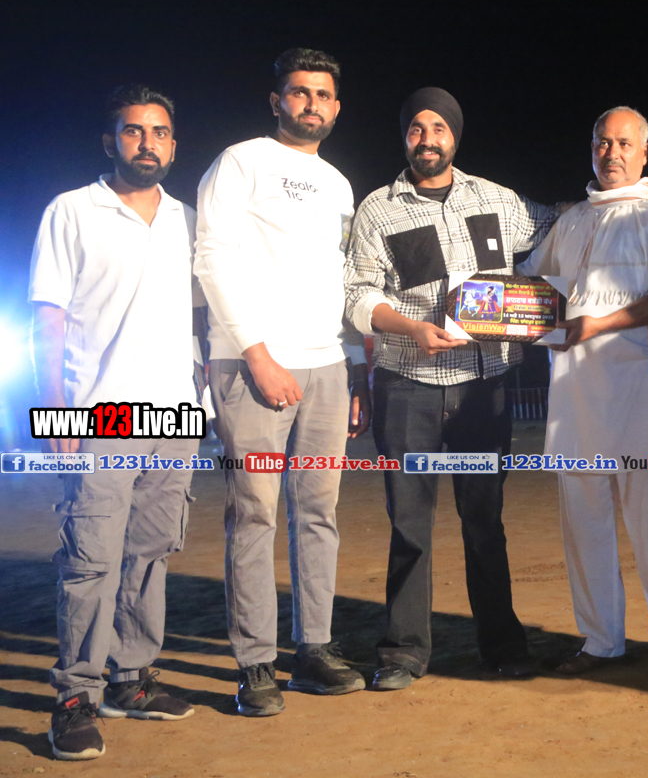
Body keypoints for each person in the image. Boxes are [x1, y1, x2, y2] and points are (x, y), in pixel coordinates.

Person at [344, 87, 557, 689]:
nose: (428, 139)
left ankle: (502, 645)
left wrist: (630, 197)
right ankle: (403, 653)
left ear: (454, 136)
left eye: (439, 128)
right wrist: (412, 327)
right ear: (404, 137)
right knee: (409, 525)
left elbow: (562, 221)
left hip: (484, 389)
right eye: (417, 128)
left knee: (484, 522)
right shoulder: (378, 210)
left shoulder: (497, 200)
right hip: (407, 386)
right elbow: (357, 293)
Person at [193, 48, 371, 717]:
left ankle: (313, 650)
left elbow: (335, 277)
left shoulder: (339, 184)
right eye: (299, 92)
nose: (311, 104)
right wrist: (256, 354)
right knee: (255, 514)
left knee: (319, 514)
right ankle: (255, 664)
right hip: (252, 365)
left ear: (336, 107)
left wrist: (348, 367)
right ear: (277, 101)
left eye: (322, 95)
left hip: (325, 366)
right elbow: (210, 258)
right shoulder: (241, 161)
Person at [30, 85, 201, 760]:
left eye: (159, 132)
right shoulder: (72, 210)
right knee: (89, 559)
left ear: (173, 145)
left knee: (150, 554)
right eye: (134, 131)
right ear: (111, 142)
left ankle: (131, 678)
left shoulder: (188, 220)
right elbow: (48, 318)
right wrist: (55, 412)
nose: (147, 143)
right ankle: (75, 696)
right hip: (100, 416)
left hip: (175, 415)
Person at [518, 106, 648, 682]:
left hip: (641, 387)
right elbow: (529, 284)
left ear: (644, 152)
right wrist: (486, 308)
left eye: (623, 143)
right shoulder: (572, 219)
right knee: (584, 522)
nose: (611, 153)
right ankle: (600, 640)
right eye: (602, 142)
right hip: (573, 393)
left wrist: (596, 325)